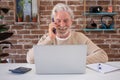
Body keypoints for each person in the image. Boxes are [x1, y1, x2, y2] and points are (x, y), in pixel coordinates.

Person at [26, 3, 108, 64]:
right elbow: (30, 59)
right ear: (53, 22)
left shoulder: (79, 37)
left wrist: (77, 61)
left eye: (66, 20)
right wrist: (49, 39)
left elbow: (102, 55)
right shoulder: (47, 38)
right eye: (58, 21)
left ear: (71, 21)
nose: (62, 25)